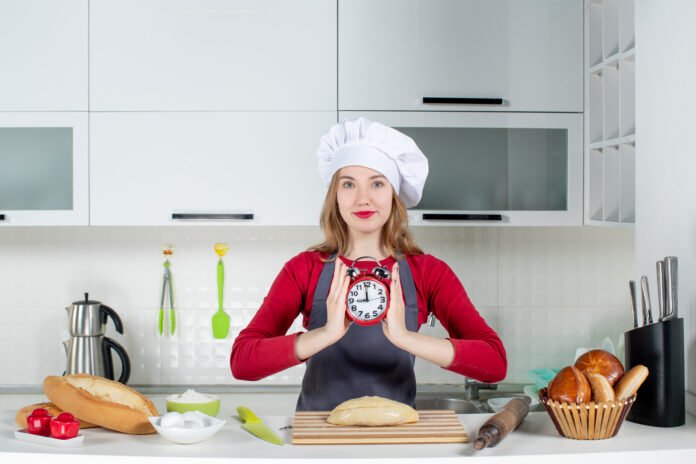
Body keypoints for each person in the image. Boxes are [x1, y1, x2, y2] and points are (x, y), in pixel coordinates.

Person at [230, 118, 507, 411]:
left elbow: (494, 362)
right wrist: (324, 335)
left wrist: (406, 338)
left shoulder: (428, 272)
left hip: (394, 437)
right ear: (335, 196)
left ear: (393, 194)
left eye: (377, 183)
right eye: (348, 184)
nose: (363, 199)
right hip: (318, 438)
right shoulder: (303, 269)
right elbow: (243, 361)